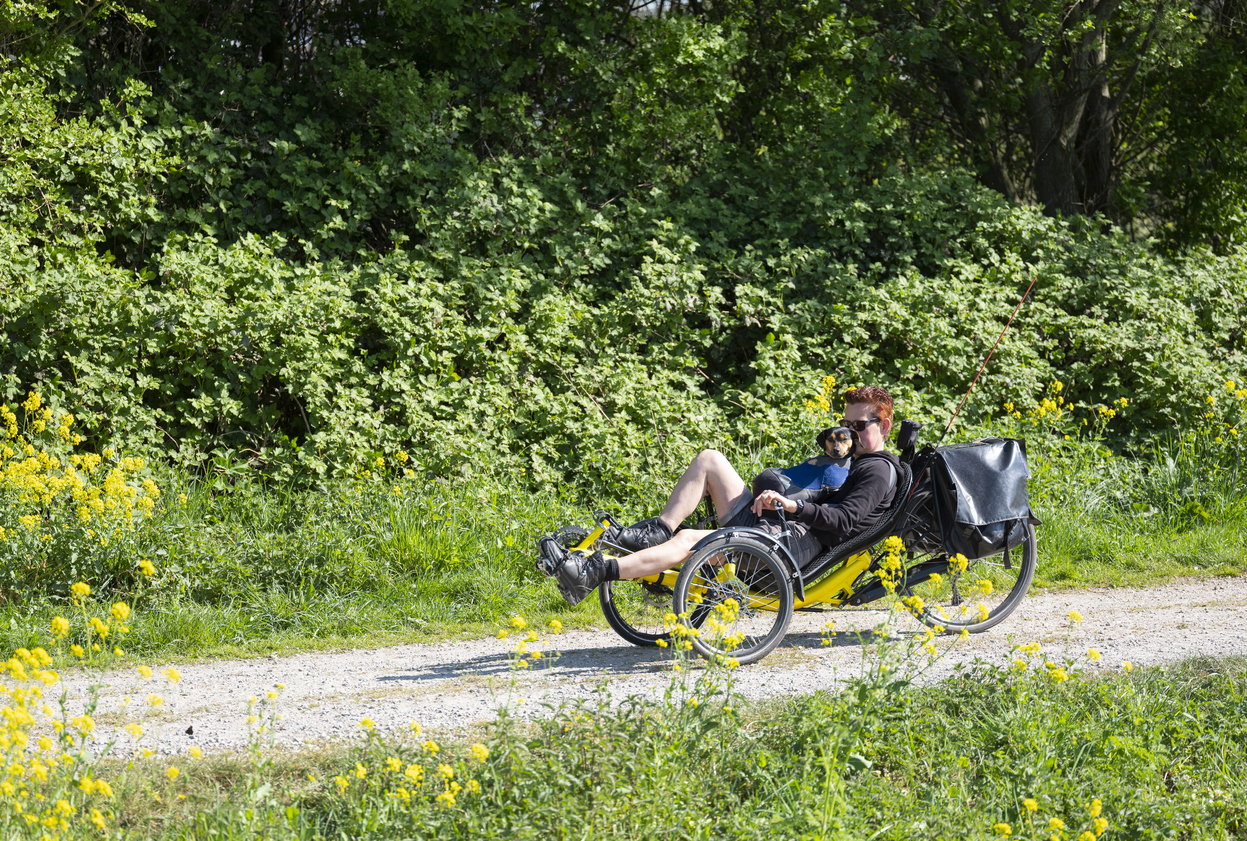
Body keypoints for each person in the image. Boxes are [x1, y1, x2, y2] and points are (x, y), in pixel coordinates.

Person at [537, 386, 903, 606]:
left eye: (858, 427)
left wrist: (793, 505)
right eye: (846, 426)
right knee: (709, 460)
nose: (850, 435)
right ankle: (656, 530)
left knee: (693, 539)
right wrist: (780, 499)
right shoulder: (862, 462)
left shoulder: (876, 469)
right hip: (780, 530)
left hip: (793, 547)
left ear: (884, 426)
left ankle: (594, 572)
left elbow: (844, 521)